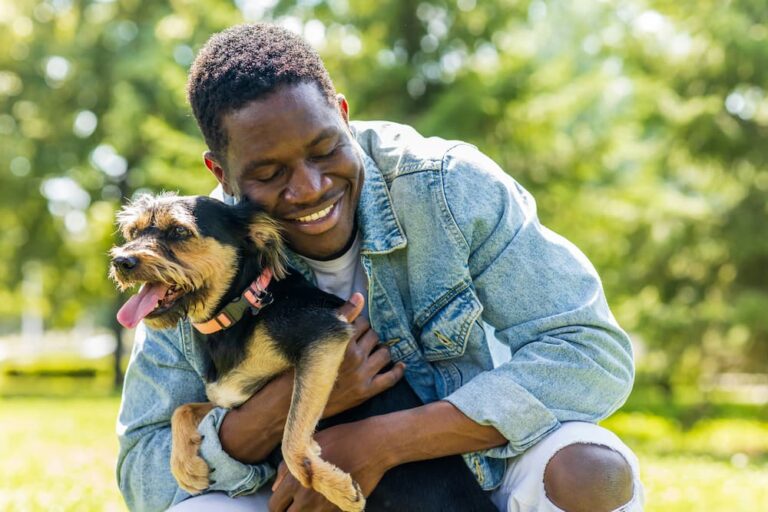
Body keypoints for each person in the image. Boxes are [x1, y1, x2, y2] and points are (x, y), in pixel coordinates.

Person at [116, 23, 644, 512]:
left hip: (476, 471)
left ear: (343, 114)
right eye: (270, 172)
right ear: (221, 171)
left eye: (325, 150)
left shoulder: (447, 186)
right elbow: (142, 468)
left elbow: (591, 355)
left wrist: (381, 442)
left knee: (590, 472)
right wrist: (280, 412)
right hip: (293, 491)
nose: (310, 188)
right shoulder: (196, 251)